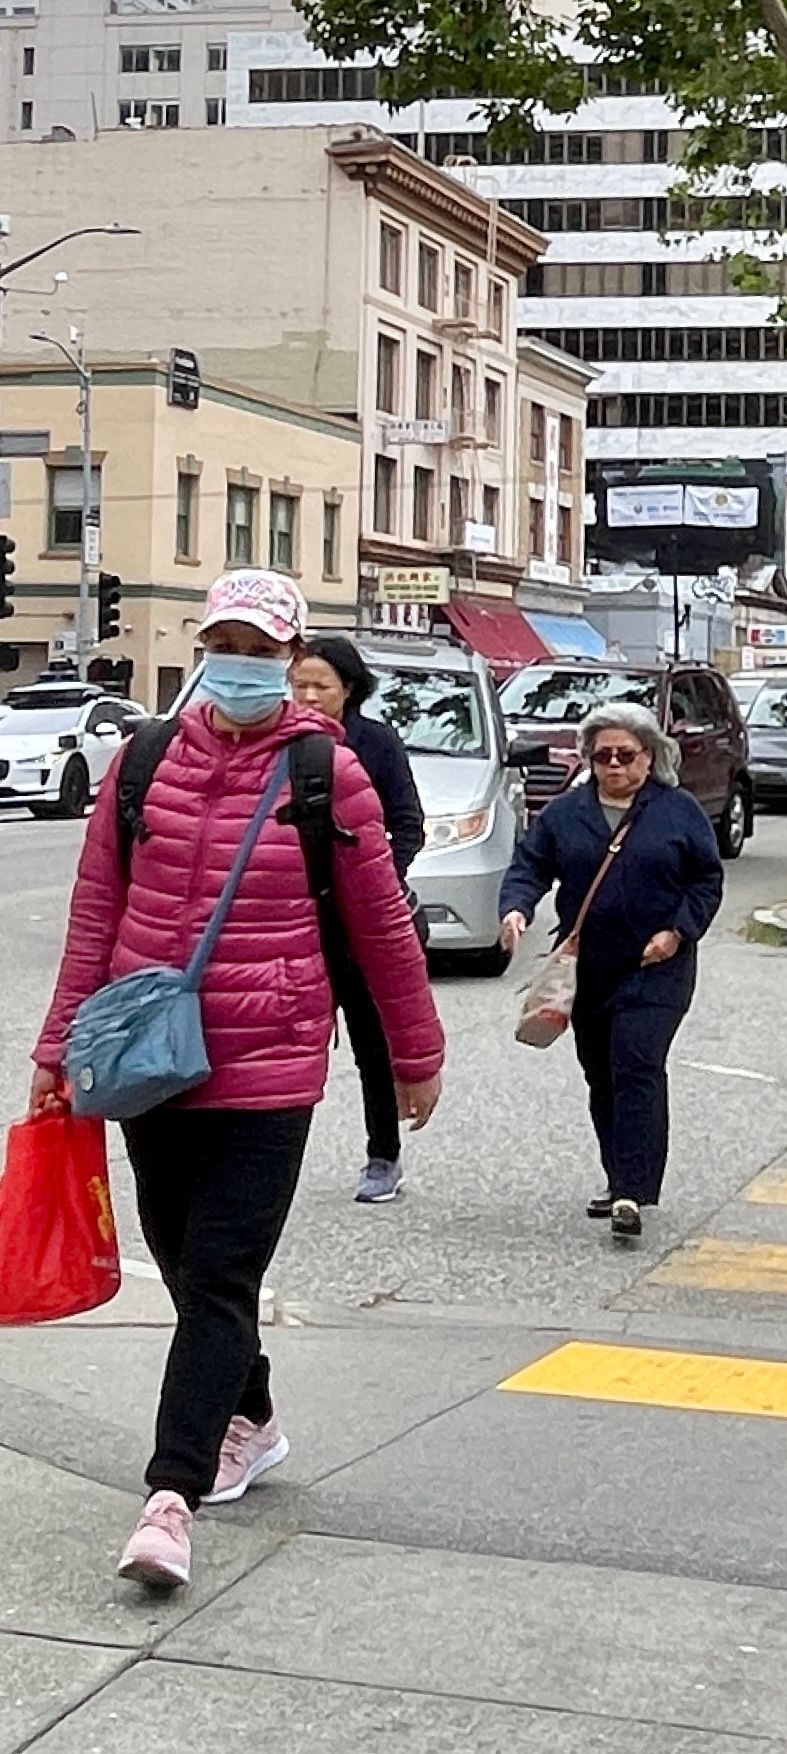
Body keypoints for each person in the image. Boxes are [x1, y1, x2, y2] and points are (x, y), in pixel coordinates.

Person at [26, 573, 445, 1593]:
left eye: (258, 647)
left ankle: (167, 1500)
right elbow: (94, 921)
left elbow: (382, 923)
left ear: (290, 656)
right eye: (223, 642)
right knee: (183, 1260)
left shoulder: (324, 773)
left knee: (216, 1272)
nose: (238, 661)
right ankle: (249, 1418)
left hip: (269, 1065)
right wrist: (52, 1054)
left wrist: (414, 1050)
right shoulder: (142, 762)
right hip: (146, 1062)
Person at [497, 700, 724, 1245]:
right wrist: (517, 907)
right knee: (601, 1072)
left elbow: (705, 880)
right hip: (590, 967)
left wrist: (678, 930)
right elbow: (530, 865)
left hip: (657, 965)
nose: (615, 766)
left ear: (650, 758)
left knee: (637, 1062)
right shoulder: (565, 813)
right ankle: (617, 1175)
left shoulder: (678, 810)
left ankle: (632, 1189)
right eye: (603, 757)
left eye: (627, 755)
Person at [288, 637, 426, 1205]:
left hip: (356, 925)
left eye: (321, 686)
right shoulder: (279, 746)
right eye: (299, 685)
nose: (309, 697)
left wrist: (372, 883)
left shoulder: (375, 743)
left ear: (349, 689)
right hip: (291, 919)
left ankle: (382, 1155)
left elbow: (407, 824)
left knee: (372, 1043)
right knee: (285, 1044)